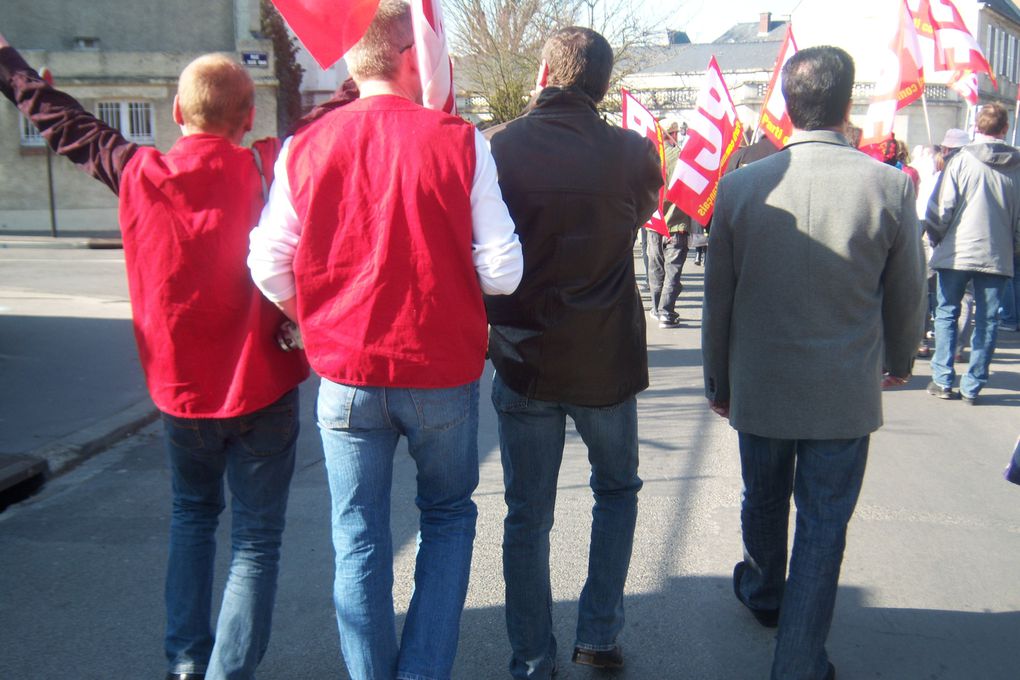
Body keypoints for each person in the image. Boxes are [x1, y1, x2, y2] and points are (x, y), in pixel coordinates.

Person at [0, 38, 310, 680]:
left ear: (175, 111)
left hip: (183, 397)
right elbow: (328, 125)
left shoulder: (138, 171)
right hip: (264, 388)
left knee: (193, 520)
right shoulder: (265, 168)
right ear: (249, 117)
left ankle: (188, 664)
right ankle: (228, 672)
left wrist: (13, 67)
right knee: (256, 543)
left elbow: (60, 123)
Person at [247, 2, 523, 678]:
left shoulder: (305, 146)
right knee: (449, 516)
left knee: (358, 537)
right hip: (439, 369)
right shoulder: (460, 140)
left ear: (352, 61)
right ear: (410, 58)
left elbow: (266, 262)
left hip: (344, 369)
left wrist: (310, 319)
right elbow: (504, 270)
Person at [702, 46, 925, 680]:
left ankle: (767, 590)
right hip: (843, 390)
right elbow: (909, 289)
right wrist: (902, 356)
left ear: (787, 106)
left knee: (764, 499)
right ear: (846, 104)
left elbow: (719, 299)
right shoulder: (888, 184)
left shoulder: (741, 186)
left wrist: (717, 378)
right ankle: (797, 661)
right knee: (825, 525)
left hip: (761, 382)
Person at [483, 26, 661, 678]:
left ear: (544, 73)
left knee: (527, 515)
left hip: (522, 354)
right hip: (605, 358)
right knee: (616, 491)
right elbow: (638, 214)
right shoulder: (633, 153)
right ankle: (598, 635)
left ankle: (532, 656)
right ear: (603, 85)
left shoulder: (497, 147)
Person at [925, 102, 1020, 404]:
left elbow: (942, 207)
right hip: (997, 253)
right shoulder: (1017, 166)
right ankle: (973, 384)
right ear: (1005, 128)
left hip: (957, 251)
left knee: (946, 313)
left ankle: (942, 379)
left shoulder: (961, 160)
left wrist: (937, 236)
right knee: (988, 320)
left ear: (977, 127)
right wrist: (1012, 247)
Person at [647, 120, 692, 328]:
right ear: (673, 133)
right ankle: (666, 311)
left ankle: (657, 308)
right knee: (672, 268)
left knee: (656, 266)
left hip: (654, 221)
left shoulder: (649, 157)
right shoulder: (682, 158)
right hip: (677, 222)